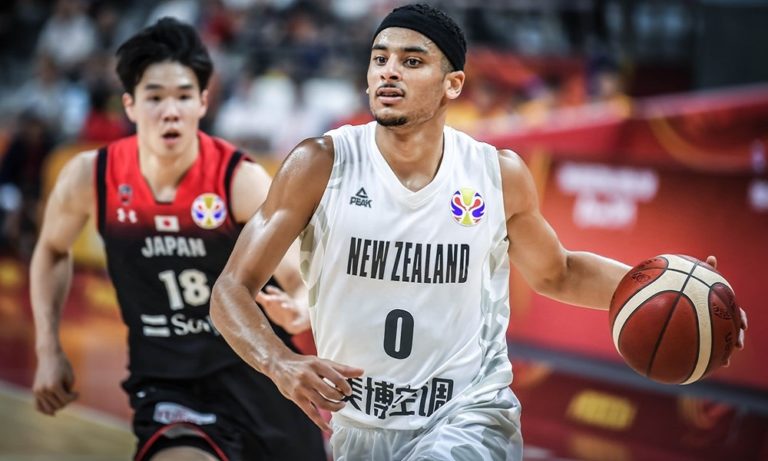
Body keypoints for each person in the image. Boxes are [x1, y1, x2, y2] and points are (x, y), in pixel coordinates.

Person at [209, 4, 748, 461]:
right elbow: (230, 290)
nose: (388, 72)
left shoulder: (496, 173)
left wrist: (674, 291)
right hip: (361, 429)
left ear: (453, 84)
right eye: (380, 58)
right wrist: (278, 362)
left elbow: (559, 273)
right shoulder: (319, 164)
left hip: (469, 417)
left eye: (411, 61)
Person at [30, 17, 325, 461]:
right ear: (130, 105)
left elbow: (297, 273)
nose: (170, 110)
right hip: (168, 384)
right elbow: (52, 249)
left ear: (203, 102)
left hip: (257, 371)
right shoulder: (91, 176)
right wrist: (49, 349)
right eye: (155, 97)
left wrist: (299, 308)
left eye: (184, 96)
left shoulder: (238, 180)